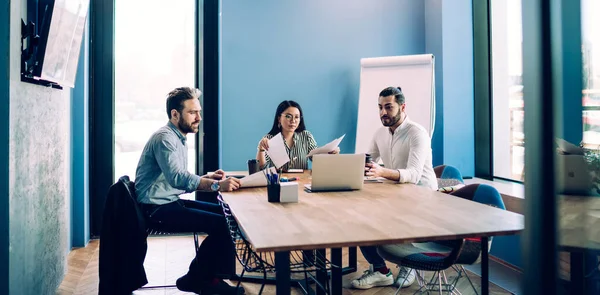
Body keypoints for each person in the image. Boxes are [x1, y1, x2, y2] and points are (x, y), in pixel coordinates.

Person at [135, 87, 244, 295]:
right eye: (192, 112)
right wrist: (216, 186)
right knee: (222, 224)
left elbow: (177, 177)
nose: (198, 118)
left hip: (167, 202)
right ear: (175, 114)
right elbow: (177, 178)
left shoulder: (177, 137)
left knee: (226, 215)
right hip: (156, 209)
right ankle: (202, 280)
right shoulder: (165, 139)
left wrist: (207, 178)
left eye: (199, 112)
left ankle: (206, 278)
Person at [351, 86, 438, 290]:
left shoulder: (417, 133)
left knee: (374, 219)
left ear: (402, 106)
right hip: (396, 194)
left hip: (423, 198)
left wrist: (381, 172)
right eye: (380, 107)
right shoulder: (380, 133)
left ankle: (409, 263)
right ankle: (381, 271)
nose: (383, 112)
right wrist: (344, 164)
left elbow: (414, 175)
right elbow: (367, 160)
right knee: (358, 220)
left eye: (388, 107)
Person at [256, 100, 338, 171]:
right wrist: (261, 150)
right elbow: (260, 167)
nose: (293, 121)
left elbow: (316, 159)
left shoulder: (306, 136)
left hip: (302, 183)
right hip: (279, 183)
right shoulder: (270, 139)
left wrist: (329, 154)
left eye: (296, 117)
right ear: (279, 118)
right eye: (288, 116)